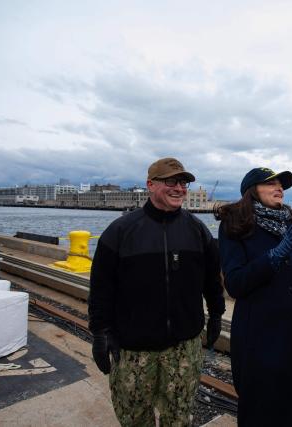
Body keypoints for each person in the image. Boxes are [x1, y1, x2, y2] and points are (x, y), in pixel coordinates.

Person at [88, 157, 225, 426]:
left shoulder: (197, 230)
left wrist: (217, 312)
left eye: (183, 182)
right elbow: (101, 287)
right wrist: (100, 332)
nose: (179, 188)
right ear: (150, 185)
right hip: (133, 349)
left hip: (184, 348)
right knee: (134, 418)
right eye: (171, 181)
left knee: (179, 417)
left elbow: (212, 279)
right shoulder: (121, 231)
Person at [215, 167, 292, 427]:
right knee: (265, 404)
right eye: (270, 183)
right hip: (260, 329)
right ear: (251, 190)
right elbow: (235, 284)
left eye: (281, 184)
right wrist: (272, 257)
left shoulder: (286, 223)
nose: (279, 188)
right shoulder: (234, 225)